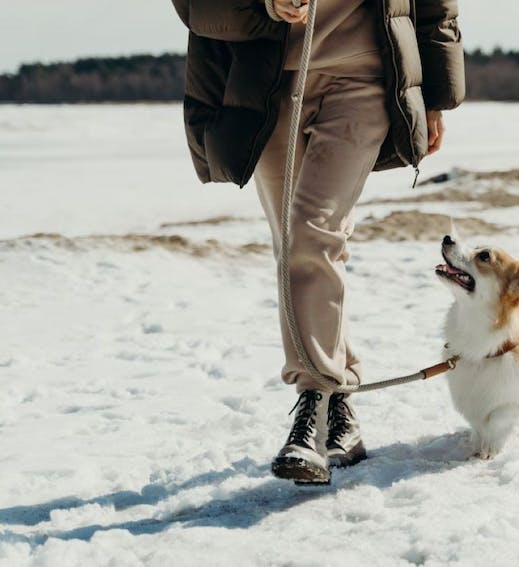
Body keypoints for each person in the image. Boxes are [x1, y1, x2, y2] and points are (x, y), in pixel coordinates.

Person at [171, 0, 465, 483]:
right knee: (296, 246)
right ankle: (340, 409)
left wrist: (435, 95)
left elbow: (437, 5)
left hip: (365, 79)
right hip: (266, 85)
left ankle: (315, 402)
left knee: (314, 231)